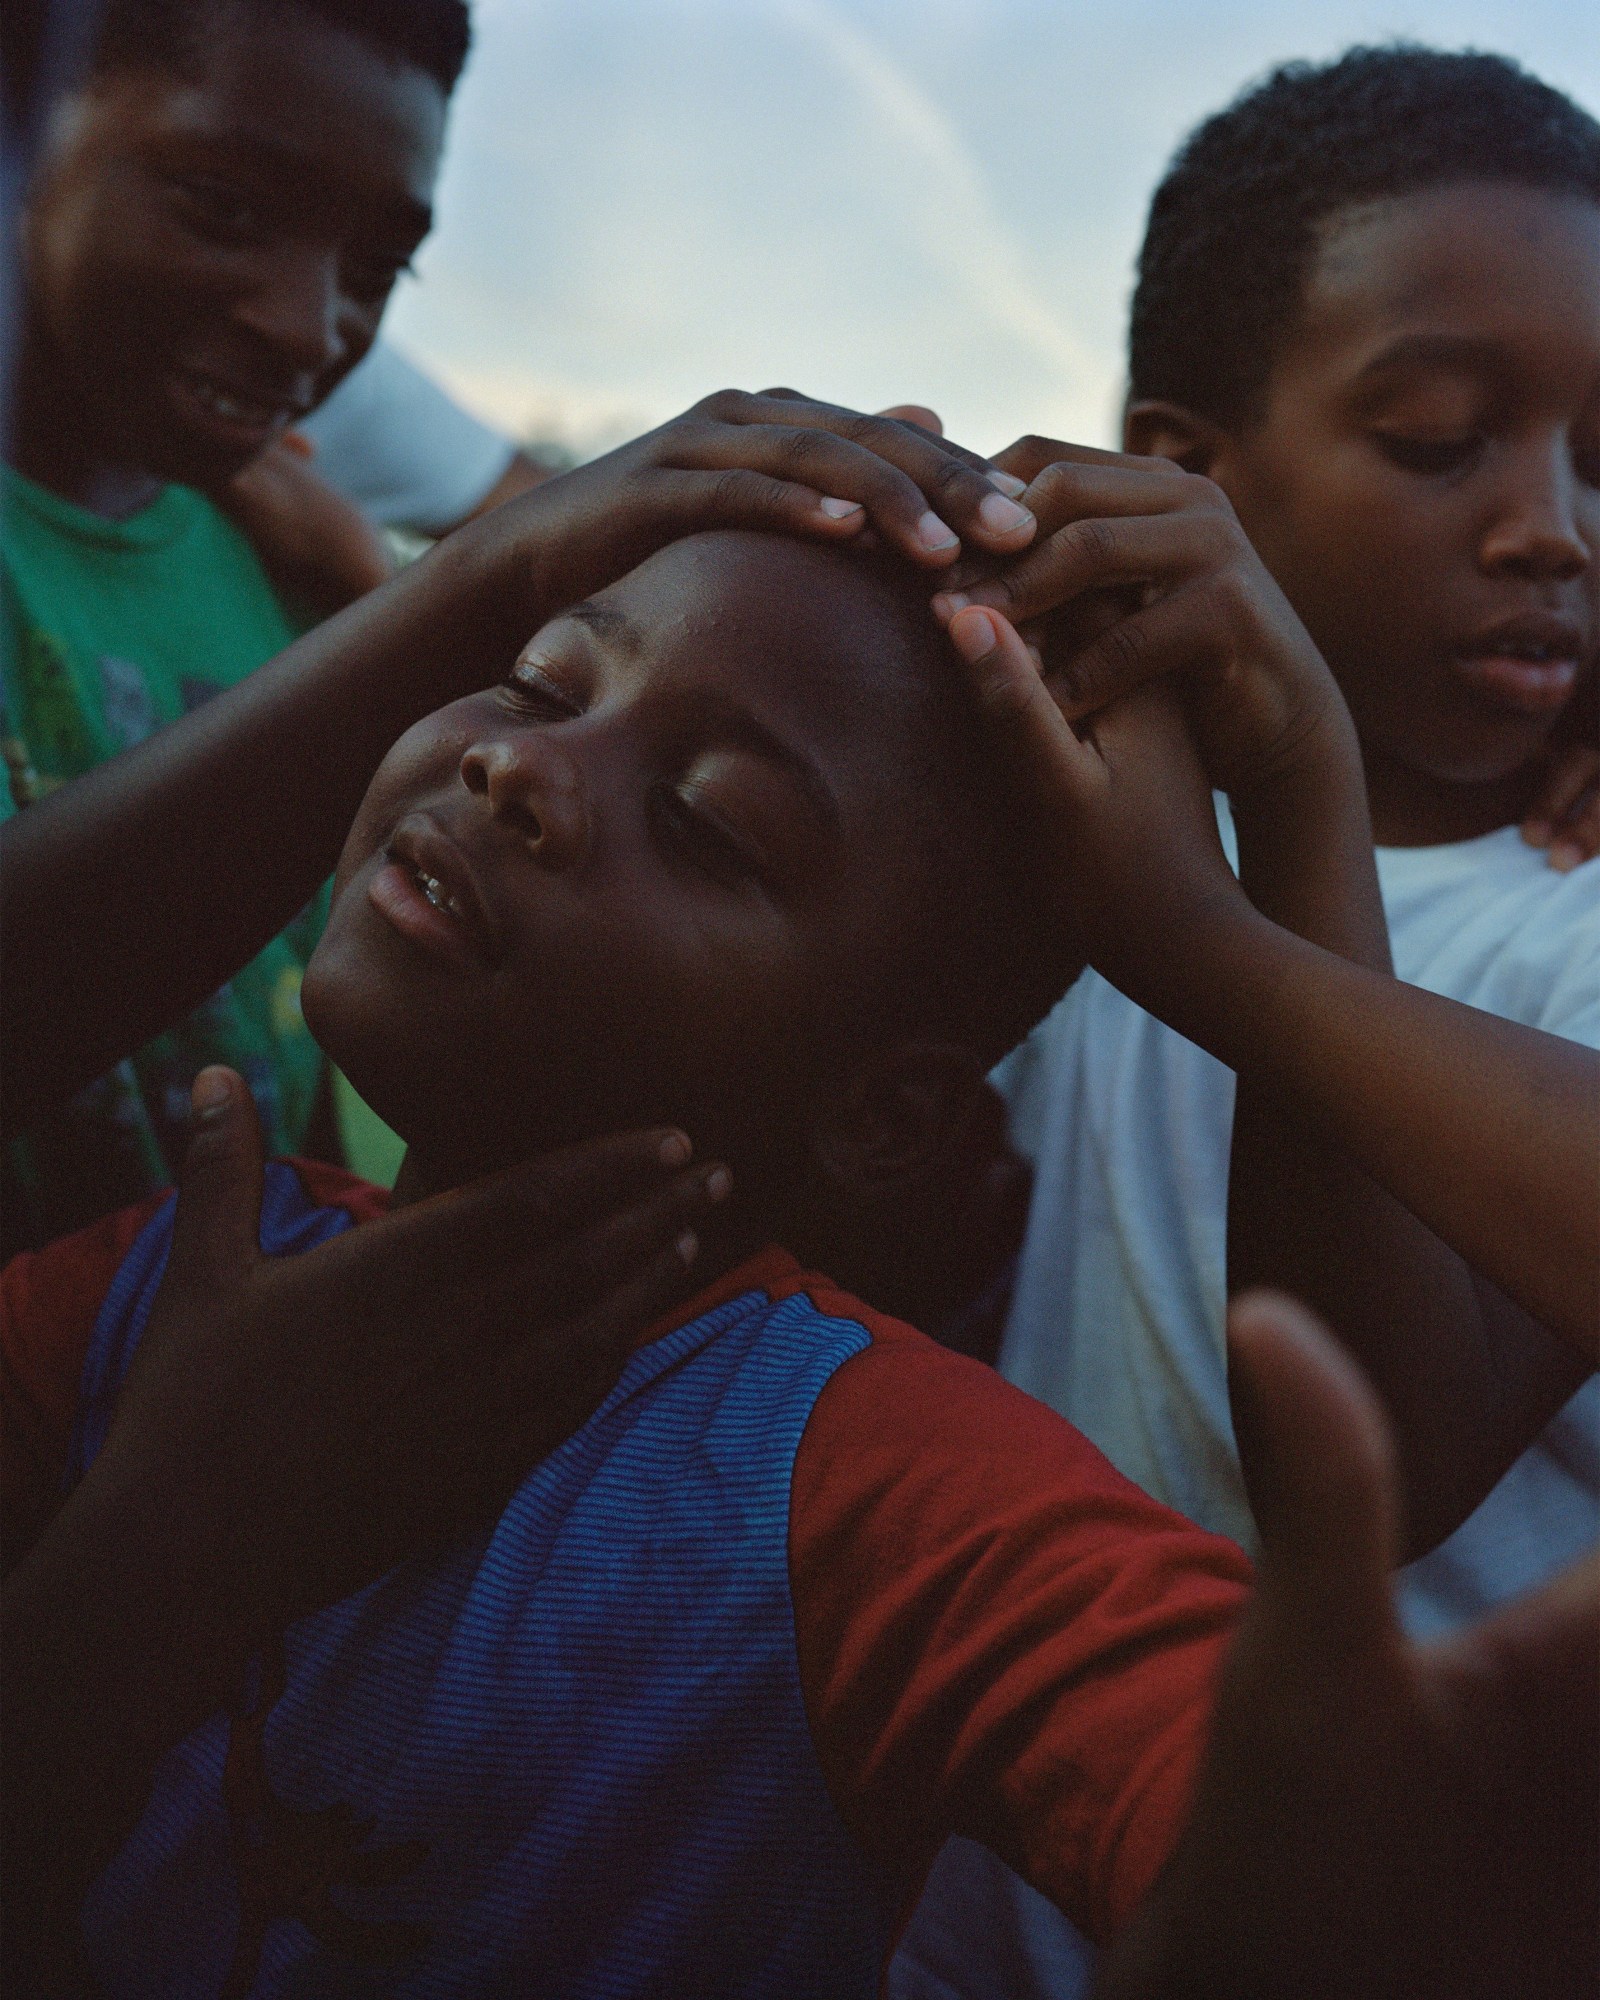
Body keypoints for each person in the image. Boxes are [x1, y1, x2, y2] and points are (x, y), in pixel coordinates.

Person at [3, 434, 1595, 1993]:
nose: (522, 765)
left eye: (706, 820)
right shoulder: (153, 1281)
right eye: (544, 681)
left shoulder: (886, 1499)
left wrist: (1341, 1877)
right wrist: (157, 1542)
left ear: (888, 1114)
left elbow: (1271, 1853)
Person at [894, 45, 1600, 1998]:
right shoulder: (1073, 811)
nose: (1549, 524)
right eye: (1440, 435)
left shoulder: (1569, 925)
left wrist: (1223, 913)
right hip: (994, 1917)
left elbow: (1367, 1472)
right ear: (1184, 478)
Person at [1, 0, 470, 1251]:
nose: (310, 323)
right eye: (224, 206)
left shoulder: (289, 577)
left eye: (374, 271)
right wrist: (440, 609)